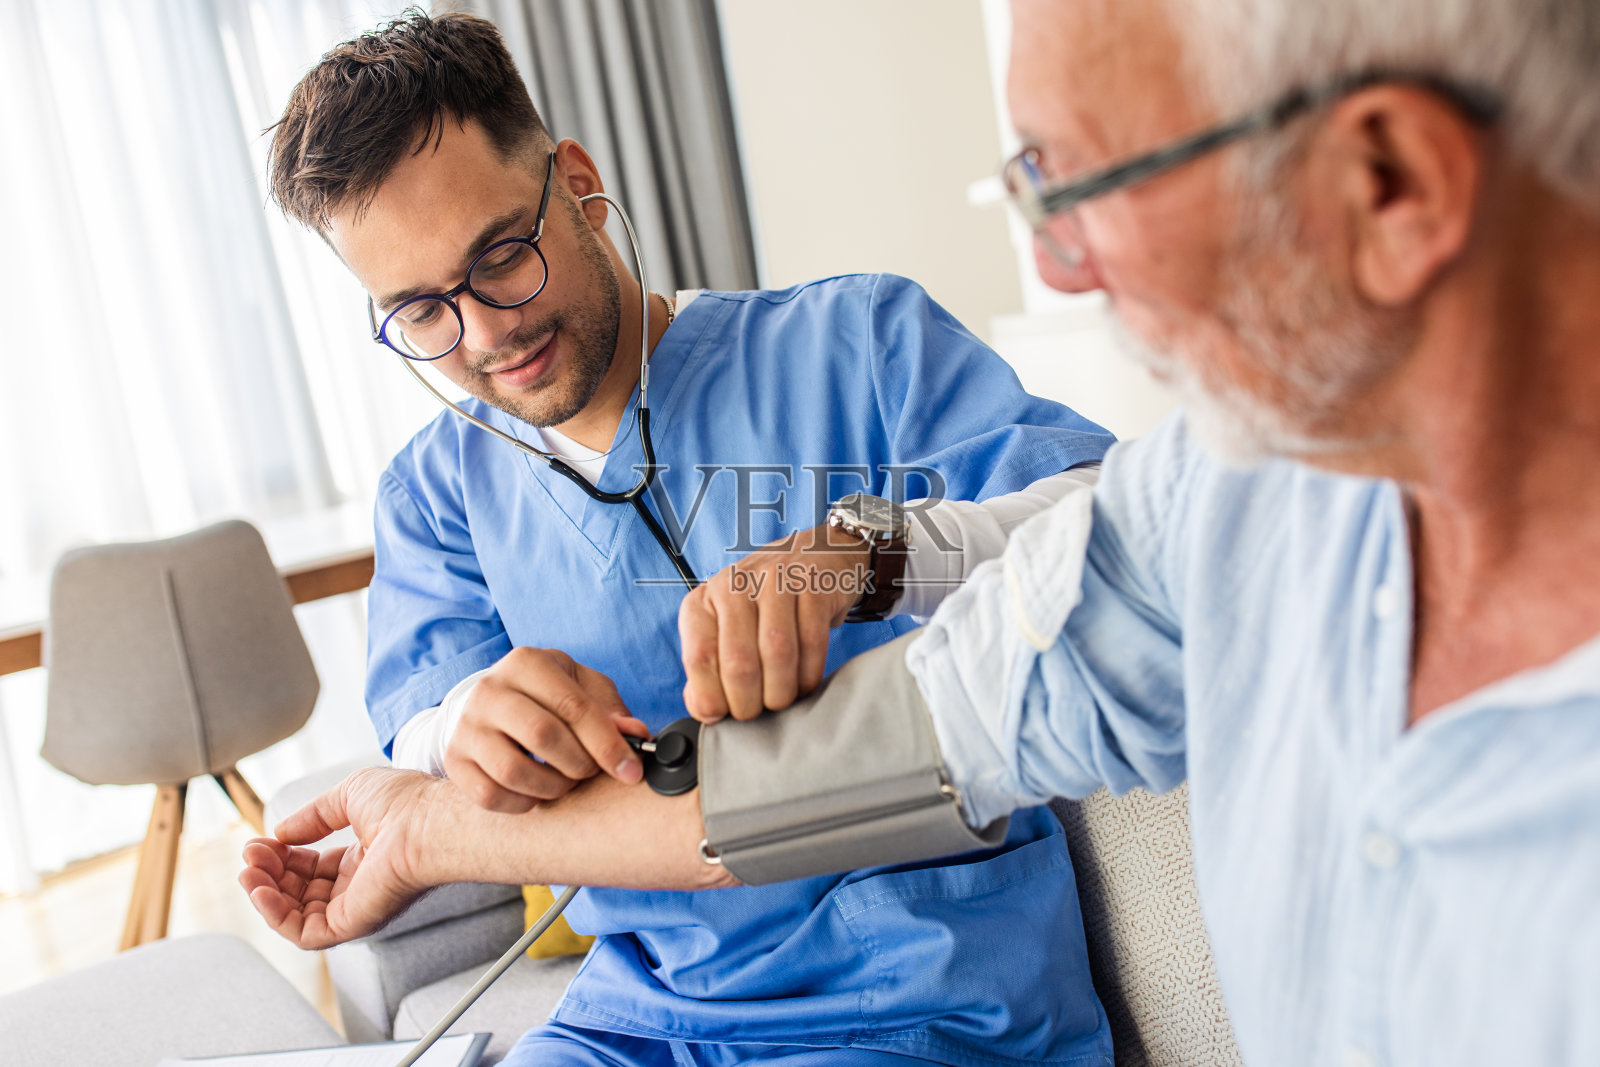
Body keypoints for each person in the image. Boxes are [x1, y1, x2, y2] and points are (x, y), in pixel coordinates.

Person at [678, 0, 1600, 1063]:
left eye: (1075, 184)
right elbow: (970, 683)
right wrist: (441, 821)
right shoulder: (1244, 480)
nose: (1066, 270)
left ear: (1387, 182)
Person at [243, 11, 1118, 1067]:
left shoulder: (858, 346)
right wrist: (463, 721)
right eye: (422, 311)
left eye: (501, 257)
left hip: (921, 997)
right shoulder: (437, 495)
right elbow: (417, 719)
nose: (484, 334)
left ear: (575, 181)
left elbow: (1113, 525)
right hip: (637, 1016)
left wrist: (867, 552)